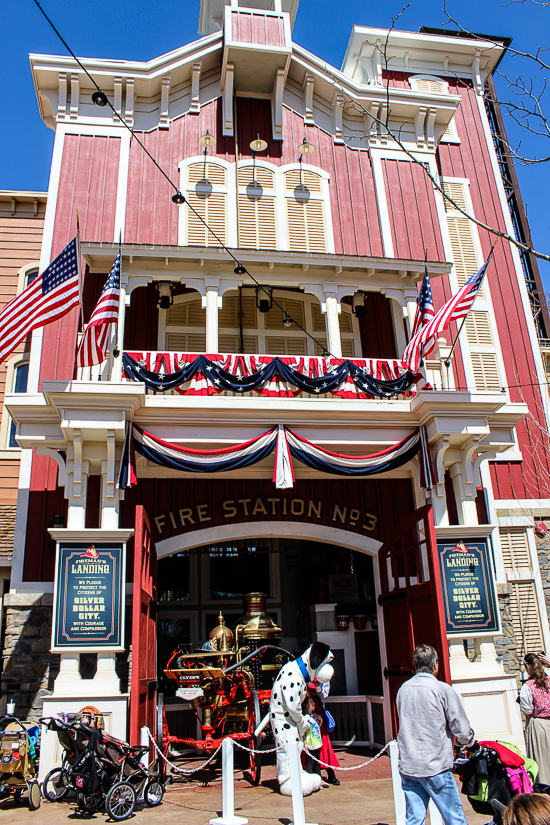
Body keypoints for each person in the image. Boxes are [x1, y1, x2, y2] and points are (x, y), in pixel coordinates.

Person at [396, 644, 477, 825]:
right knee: (454, 818)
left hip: (410, 764)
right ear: (435, 665)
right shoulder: (442, 689)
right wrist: (471, 743)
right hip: (435, 765)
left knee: (414, 819)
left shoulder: (403, 689)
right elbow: (460, 728)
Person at [520, 653, 550, 785]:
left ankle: (544, 788)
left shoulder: (528, 686)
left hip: (538, 724)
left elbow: (528, 711)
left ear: (527, 666)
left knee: (541, 761)